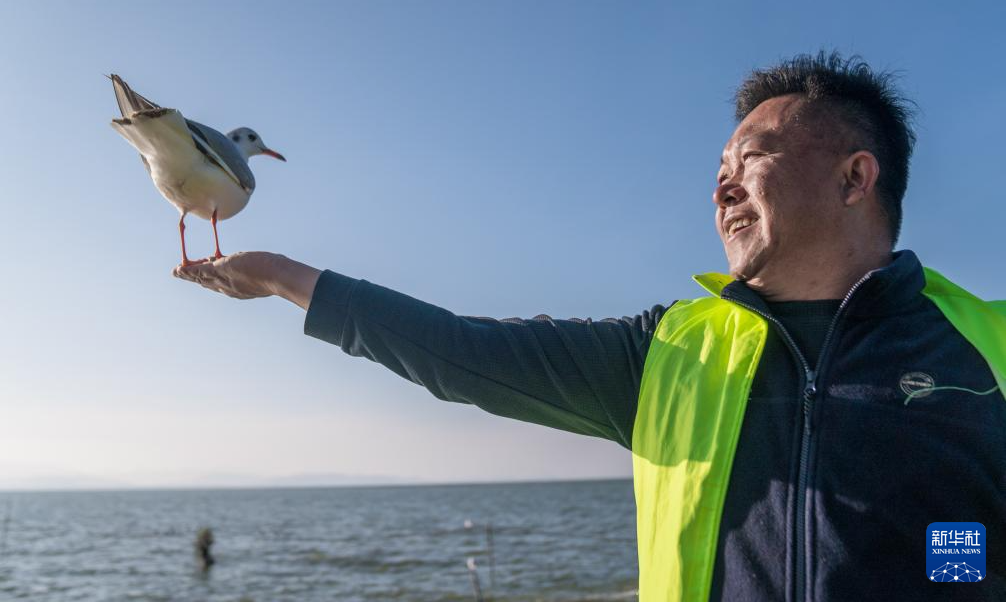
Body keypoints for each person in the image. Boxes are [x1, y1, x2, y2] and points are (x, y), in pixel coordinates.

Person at [173, 52, 1005, 601]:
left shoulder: (990, 351)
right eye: (716, 171)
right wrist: (287, 278)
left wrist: (953, 563)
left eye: (749, 159)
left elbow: (969, 550)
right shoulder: (669, 351)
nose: (720, 189)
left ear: (857, 176)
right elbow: (464, 352)